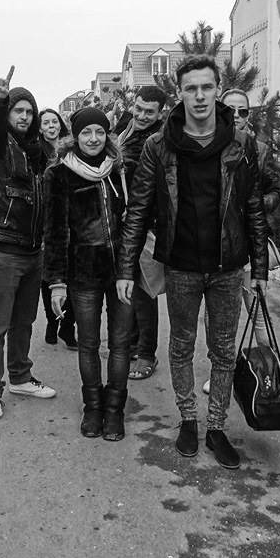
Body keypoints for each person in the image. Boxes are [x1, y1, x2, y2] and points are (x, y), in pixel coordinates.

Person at [116, 55, 269, 470]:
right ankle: (188, 419)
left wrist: (259, 268)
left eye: (206, 87)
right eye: (190, 88)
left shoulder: (240, 144)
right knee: (181, 346)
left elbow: (254, 207)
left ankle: (216, 427)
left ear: (217, 89)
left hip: (227, 266)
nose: (199, 96)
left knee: (223, 350)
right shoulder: (159, 145)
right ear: (179, 94)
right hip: (181, 265)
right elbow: (138, 210)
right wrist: (126, 268)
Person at [43, 107, 133, 441]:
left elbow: (133, 220)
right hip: (82, 274)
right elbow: (54, 231)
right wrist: (57, 282)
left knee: (120, 345)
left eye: (99, 132)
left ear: (107, 135)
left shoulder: (119, 169)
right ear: (75, 136)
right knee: (89, 344)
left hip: (122, 272)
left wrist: (130, 265)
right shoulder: (59, 174)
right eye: (86, 132)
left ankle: (115, 410)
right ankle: (93, 407)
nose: (93, 139)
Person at [0, 66, 57, 421]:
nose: (24, 116)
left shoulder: (38, 151)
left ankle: (21, 378)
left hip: (32, 249)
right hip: (2, 248)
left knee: (24, 320)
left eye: (29, 111)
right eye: (17, 110)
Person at [202, 88, 280, 395]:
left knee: (257, 313)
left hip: (247, 244)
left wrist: (256, 204)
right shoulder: (207, 147)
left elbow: (277, 190)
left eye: (243, 111)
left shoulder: (259, 149)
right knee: (216, 318)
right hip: (215, 247)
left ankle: (269, 377)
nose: (236, 116)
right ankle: (220, 373)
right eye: (230, 110)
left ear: (249, 115)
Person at [113, 85, 168, 381]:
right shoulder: (127, 128)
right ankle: (133, 344)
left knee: (145, 290)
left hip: (145, 223)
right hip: (124, 221)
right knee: (128, 286)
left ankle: (147, 353)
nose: (142, 115)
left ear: (160, 114)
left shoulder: (159, 140)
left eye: (150, 112)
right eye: (139, 108)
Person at [37, 108, 76, 349]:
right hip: (46, 217)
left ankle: (67, 326)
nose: (51, 126)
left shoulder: (72, 150)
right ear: (40, 128)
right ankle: (52, 321)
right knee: (49, 274)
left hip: (72, 217)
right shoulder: (36, 151)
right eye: (46, 123)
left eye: (54, 121)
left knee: (71, 274)